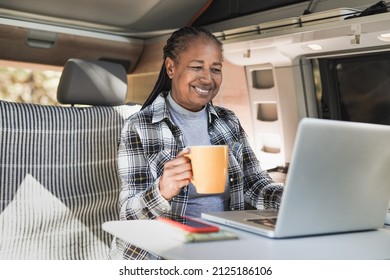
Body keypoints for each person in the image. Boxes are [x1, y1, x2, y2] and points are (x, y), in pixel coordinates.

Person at [110, 26, 283, 260]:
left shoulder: (228, 121)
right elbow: (128, 218)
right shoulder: (140, 126)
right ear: (171, 68)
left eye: (215, 69)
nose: (207, 78)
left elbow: (256, 184)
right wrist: (162, 190)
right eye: (196, 67)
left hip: (222, 248)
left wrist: (292, 199)